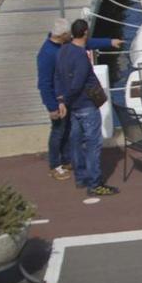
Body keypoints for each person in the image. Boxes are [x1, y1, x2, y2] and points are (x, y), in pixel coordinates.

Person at [53, 17, 121, 196]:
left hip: (73, 107)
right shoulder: (81, 57)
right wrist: (66, 100)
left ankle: (81, 178)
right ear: (84, 32)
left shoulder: (63, 50)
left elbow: (58, 77)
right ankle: (95, 183)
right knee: (93, 144)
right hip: (86, 105)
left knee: (76, 142)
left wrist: (61, 100)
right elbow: (77, 84)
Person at [37, 18, 74, 181]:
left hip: (65, 98)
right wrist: (52, 107)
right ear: (63, 35)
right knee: (57, 131)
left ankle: (66, 159)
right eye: (69, 33)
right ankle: (54, 165)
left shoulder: (61, 46)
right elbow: (44, 83)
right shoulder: (46, 54)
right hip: (56, 100)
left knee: (66, 129)